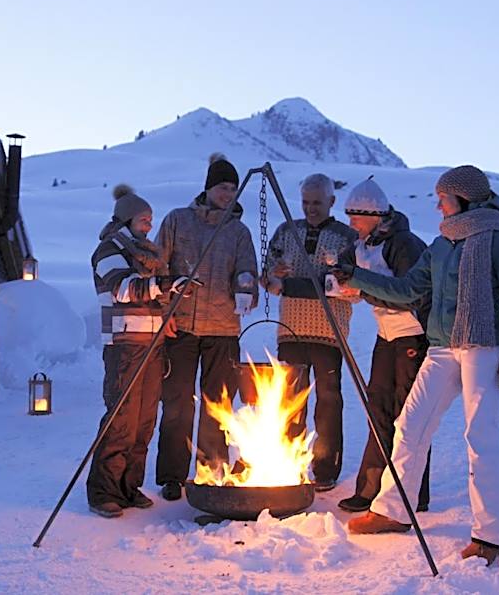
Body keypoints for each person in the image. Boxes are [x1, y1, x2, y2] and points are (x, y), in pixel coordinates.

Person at [340, 165, 499, 566]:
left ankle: (492, 534)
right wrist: (356, 277)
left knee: (481, 436)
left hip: (483, 344)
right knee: (410, 425)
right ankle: (394, 510)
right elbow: (408, 289)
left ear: (463, 198)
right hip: (442, 346)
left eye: (443, 198)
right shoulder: (443, 243)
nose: (438, 206)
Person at [86, 184, 195, 518]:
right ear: (126, 219)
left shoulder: (146, 255)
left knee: (145, 421)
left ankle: (129, 486)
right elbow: (124, 289)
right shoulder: (109, 251)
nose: (150, 225)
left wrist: (169, 297)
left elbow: (152, 295)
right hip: (124, 345)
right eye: (144, 219)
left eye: (151, 219)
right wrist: (165, 284)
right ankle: (104, 491)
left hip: (152, 344)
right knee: (121, 419)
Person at [155, 153, 259, 501]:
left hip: (223, 329)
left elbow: (247, 270)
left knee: (218, 404)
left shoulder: (239, 232)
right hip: (181, 326)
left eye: (232, 188)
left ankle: (212, 471)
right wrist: (164, 312)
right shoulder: (178, 221)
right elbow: (158, 266)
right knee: (177, 403)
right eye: (222, 187)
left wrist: (246, 289)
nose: (227, 194)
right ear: (208, 188)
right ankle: (172, 475)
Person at [334, 177, 432, 514]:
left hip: (413, 335)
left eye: (356, 218)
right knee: (377, 409)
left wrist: (363, 291)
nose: (352, 224)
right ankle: (370, 489)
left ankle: (411, 493)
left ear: (374, 215)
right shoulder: (362, 243)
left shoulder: (404, 244)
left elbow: (409, 295)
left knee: (409, 416)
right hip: (385, 336)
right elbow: (343, 270)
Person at [263, 173, 357, 492]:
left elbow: (347, 287)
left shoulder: (346, 238)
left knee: (328, 401)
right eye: (305, 202)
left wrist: (290, 285)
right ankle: (289, 464)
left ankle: (325, 469)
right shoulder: (286, 231)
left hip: (329, 331)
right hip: (290, 330)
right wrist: (273, 275)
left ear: (332, 201)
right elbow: (267, 276)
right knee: (289, 400)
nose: (310, 208)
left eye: (317, 202)